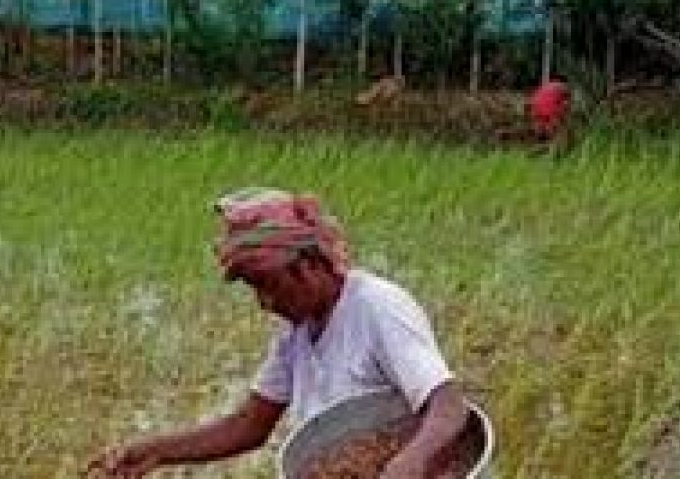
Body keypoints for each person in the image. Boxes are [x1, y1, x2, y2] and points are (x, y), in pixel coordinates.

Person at [86, 187, 470, 478]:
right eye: (255, 288)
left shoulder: (376, 307)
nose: (265, 302)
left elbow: (449, 404)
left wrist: (411, 461)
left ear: (309, 266)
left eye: (269, 285)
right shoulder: (296, 336)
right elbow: (248, 425)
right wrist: (151, 453)